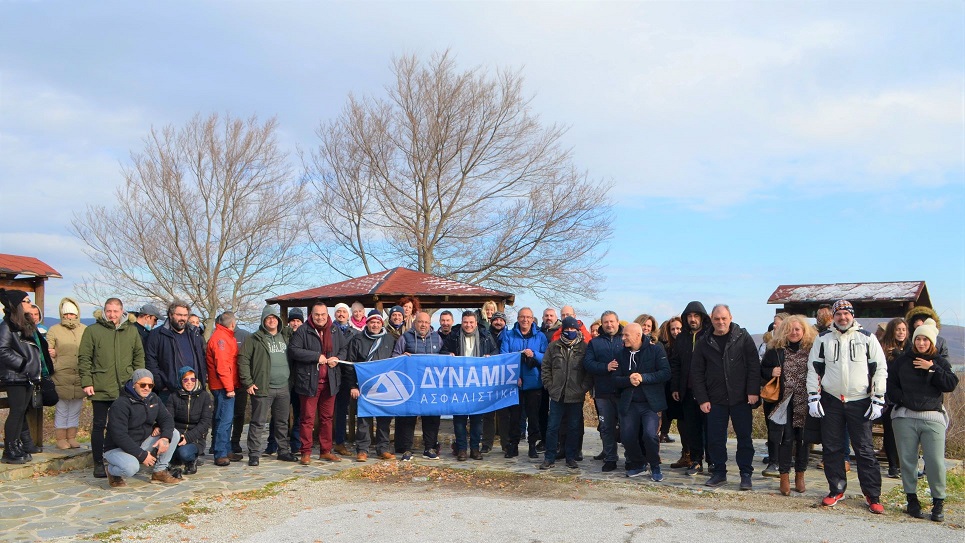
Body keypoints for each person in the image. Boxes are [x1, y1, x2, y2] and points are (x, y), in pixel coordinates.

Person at [807, 299, 887, 513]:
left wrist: (878, 397)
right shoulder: (823, 339)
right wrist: (813, 397)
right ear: (833, 317)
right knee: (832, 448)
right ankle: (836, 489)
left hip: (859, 400)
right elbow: (813, 368)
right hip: (831, 399)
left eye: (846, 314)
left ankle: (872, 495)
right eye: (838, 314)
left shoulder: (867, 338)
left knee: (864, 450)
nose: (843, 318)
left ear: (853, 315)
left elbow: (880, 368)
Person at [887, 318, 958, 522]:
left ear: (932, 342)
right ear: (913, 339)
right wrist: (904, 400)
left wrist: (932, 368)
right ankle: (912, 500)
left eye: (925, 340)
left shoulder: (939, 362)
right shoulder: (901, 360)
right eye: (918, 339)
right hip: (904, 417)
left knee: (935, 461)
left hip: (932, 417)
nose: (921, 343)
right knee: (908, 461)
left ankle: (938, 502)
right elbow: (891, 386)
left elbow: (951, 384)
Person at [692, 304, 761, 490]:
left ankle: (745, 474)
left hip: (741, 398)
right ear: (711, 319)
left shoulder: (743, 337)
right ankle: (719, 473)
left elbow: (754, 365)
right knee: (715, 439)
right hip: (715, 399)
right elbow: (696, 373)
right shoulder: (703, 341)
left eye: (723, 318)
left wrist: (753, 391)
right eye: (716, 319)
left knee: (745, 438)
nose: (720, 322)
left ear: (730, 317)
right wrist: (702, 398)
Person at [78, 297, 145, 478]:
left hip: (125, 387)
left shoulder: (131, 331)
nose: (112, 315)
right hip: (100, 385)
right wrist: (87, 381)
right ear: (104, 311)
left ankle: (121, 458)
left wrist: (137, 380)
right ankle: (98, 462)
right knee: (99, 425)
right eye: (109, 311)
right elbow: (84, 358)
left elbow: (139, 356)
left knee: (122, 426)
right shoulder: (93, 331)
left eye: (116, 311)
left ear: (122, 312)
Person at [760, 315, 816, 495]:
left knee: (803, 440)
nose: (794, 332)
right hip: (783, 401)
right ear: (784, 331)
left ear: (804, 331)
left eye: (797, 329)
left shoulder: (811, 349)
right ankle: (784, 476)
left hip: (805, 401)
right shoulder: (775, 350)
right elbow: (760, 371)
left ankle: (800, 476)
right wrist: (771, 372)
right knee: (786, 439)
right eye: (790, 329)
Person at [289, 301, 349, 465]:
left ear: (327, 314)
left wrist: (338, 358)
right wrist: (316, 357)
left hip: (330, 381)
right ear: (312, 315)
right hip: (309, 382)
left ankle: (325, 451)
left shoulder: (335, 330)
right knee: (307, 419)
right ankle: (306, 452)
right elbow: (294, 350)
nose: (320, 317)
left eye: (323, 314)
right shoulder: (303, 330)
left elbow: (344, 349)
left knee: (327, 418)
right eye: (317, 315)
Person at [102, 368, 181, 487]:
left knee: (173, 433)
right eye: (143, 384)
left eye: (150, 385)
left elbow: (167, 419)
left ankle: (159, 471)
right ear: (134, 384)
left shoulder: (153, 398)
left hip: (141, 443)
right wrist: (142, 455)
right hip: (117, 448)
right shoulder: (120, 404)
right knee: (131, 468)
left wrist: (165, 437)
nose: (147, 388)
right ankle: (112, 471)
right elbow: (119, 436)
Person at [239, 305, 296, 466]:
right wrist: (248, 382)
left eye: (273, 318)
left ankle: (283, 451)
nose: (271, 320)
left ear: (278, 320)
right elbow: (243, 360)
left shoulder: (285, 336)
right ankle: (254, 454)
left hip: (284, 386)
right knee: (258, 421)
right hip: (263, 387)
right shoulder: (254, 338)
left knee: (282, 421)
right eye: (268, 318)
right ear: (263, 321)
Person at [613, 323, 671, 480]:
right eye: (622, 335)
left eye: (626, 335)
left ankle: (655, 466)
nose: (623, 338)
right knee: (627, 436)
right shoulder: (620, 354)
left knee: (650, 435)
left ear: (638, 336)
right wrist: (628, 380)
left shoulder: (656, 350)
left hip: (650, 404)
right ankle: (639, 464)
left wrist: (643, 378)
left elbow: (665, 373)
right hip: (629, 404)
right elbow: (615, 379)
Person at [441, 311, 499, 460]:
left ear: (476, 322)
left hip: (478, 383)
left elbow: (495, 351)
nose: (468, 325)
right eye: (466, 322)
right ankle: (461, 449)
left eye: (471, 322)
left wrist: (490, 357)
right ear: (462, 322)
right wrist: (448, 354)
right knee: (459, 419)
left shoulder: (485, 336)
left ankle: (475, 449)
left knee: (476, 419)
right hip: (458, 383)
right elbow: (442, 352)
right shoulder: (453, 336)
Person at [539, 316, 592, 470]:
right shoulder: (553, 346)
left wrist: (583, 388)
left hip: (575, 395)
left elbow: (589, 372)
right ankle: (549, 458)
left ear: (577, 330)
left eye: (573, 329)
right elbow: (546, 367)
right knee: (552, 427)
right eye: (567, 329)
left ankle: (571, 457)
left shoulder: (584, 348)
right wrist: (549, 386)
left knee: (573, 428)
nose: (570, 331)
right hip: (557, 394)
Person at [344, 310, 396, 461]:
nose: (375, 325)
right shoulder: (357, 339)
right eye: (372, 322)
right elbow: (350, 365)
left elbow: (395, 360)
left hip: (383, 386)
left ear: (382, 324)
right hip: (363, 386)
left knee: (384, 419)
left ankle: (383, 449)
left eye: (378, 322)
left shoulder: (389, 339)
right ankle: (362, 450)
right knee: (364, 420)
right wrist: (352, 386)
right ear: (367, 323)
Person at [393, 311, 444, 460]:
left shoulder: (437, 338)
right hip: (411, 386)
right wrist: (402, 357)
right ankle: (407, 449)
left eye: (426, 323)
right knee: (408, 418)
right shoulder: (405, 337)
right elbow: (395, 356)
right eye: (420, 322)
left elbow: (444, 356)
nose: (423, 325)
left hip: (430, 387)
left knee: (431, 418)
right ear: (415, 323)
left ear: (430, 324)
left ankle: (429, 448)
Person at [499, 307, 547, 459]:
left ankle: (532, 445)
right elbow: (503, 357)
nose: (525, 320)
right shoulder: (508, 335)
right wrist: (514, 377)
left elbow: (547, 358)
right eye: (522, 317)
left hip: (534, 383)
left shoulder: (540, 337)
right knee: (514, 417)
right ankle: (513, 445)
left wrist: (535, 355)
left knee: (533, 417)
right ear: (518, 319)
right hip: (515, 383)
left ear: (533, 319)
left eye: (528, 317)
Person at [669, 301, 711, 476]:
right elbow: (675, 363)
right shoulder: (682, 338)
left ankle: (713, 461)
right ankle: (695, 460)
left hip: (708, 392)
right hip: (687, 391)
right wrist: (675, 387)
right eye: (689, 316)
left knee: (710, 428)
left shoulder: (710, 335)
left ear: (702, 317)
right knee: (691, 428)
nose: (693, 319)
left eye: (696, 316)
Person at [0, 289, 42, 464]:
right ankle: (9, 449)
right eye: (26, 301)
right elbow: (2, 350)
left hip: (27, 376)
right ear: (17, 304)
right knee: (16, 412)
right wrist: (23, 364)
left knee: (21, 412)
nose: (29, 304)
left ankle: (16, 445)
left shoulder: (23, 324)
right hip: (14, 376)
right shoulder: (6, 326)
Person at [583, 310, 624, 472]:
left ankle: (632, 457)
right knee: (606, 427)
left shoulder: (625, 338)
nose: (609, 325)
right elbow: (588, 363)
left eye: (612, 321)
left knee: (627, 427)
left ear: (617, 321)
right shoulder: (595, 343)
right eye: (606, 322)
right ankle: (610, 457)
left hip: (624, 391)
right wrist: (605, 367)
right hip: (603, 391)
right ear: (602, 324)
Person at [145, 301, 207, 400]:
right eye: (179, 315)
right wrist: (160, 384)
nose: (182, 318)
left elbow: (202, 358)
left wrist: (202, 380)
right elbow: (150, 361)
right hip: (169, 391)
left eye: (185, 315)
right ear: (170, 315)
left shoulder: (195, 334)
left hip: (194, 389)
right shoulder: (157, 335)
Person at [46, 297, 87, 449]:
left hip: (79, 374)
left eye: (72, 314)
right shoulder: (54, 330)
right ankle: (61, 438)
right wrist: (56, 364)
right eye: (67, 314)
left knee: (76, 408)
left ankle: (72, 437)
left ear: (77, 314)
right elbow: (48, 351)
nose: (70, 317)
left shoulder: (84, 329)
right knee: (62, 408)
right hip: (61, 375)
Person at [206, 311, 243, 466]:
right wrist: (229, 388)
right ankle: (220, 452)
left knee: (225, 420)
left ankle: (225, 449)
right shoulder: (221, 339)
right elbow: (222, 366)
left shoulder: (223, 336)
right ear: (232, 323)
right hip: (223, 386)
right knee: (224, 420)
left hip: (225, 384)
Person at [164, 367, 213, 474]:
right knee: (163, 450)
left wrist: (188, 437)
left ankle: (191, 460)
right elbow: (168, 418)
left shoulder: (204, 396)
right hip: (177, 435)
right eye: (185, 380)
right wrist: (175, 436)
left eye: (192, 379)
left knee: (184, 453)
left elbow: (205, 422)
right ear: (180, 381)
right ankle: (174, 459)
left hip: (196, 437)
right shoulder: (173, 396)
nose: (189, 382)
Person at [22, 302, 54, 454]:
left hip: (40, 373)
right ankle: (24, 443)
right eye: (31, 314)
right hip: (26, 375)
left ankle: (28, 442)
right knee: (21, 410)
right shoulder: (23, 330)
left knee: (35, 405)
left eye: (36, 314)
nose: (34, 317)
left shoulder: (40, 331)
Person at [879, 317, 909, 478]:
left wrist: (901, 355)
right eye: (898, 329)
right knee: (890, 431)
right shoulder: (883, 347)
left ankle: (904, 464)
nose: (901, 333)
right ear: (892, 330)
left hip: (907, 395)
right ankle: (893, 466)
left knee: (906, 433)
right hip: (888, 395)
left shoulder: (910, 347)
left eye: (904, 330)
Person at [331, 302, 357, 456]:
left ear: (349, 315)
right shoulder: (328, 330)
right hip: (331, 374)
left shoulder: (355, 333)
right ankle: (327, 442)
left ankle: (340, 442)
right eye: (338, 311)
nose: (341, 314)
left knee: (342, 411)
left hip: (347, 376)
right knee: (327, 412)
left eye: (344, 312)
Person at [482, 311, 508, 453]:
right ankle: (487, 443)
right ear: (491, 321)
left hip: (504, 378)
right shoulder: (484, 336)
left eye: (501, 320)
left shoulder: (509, 336)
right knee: (488, 414)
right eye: (496, 319)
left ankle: (505, 444)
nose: (498, 322)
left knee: (504, 414)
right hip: (488, 377)